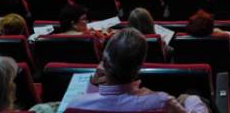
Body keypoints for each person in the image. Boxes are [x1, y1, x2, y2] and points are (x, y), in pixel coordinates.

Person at [68, 28, 208, 112]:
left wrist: (93, 86)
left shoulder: (76, 104)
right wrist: (192, 100)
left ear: (104, 62)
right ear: (139, 67)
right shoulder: (161, 102)